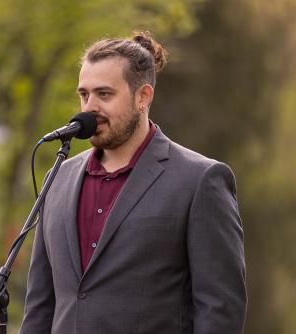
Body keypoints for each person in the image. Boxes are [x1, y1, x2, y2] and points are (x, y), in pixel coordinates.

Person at [19, 31, 247, 334]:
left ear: (143, 97)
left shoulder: (201, 180)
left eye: (104, 94)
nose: (89, 108)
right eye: (84, 95)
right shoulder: (56, 179)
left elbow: (220, 310)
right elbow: (39, 308)